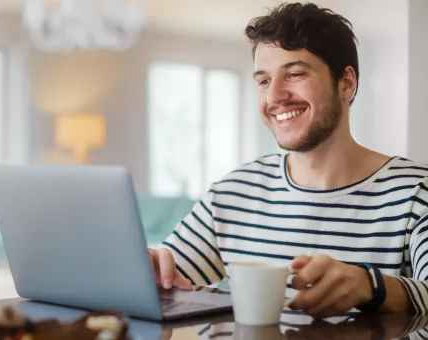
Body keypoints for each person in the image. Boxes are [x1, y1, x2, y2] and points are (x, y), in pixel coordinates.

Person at [148, 2, 428, 318]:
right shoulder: (233, 193)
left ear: (346, 84)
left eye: (294, 74)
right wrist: (149, 269)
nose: (274, 96)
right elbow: (166, 278)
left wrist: (372, 286)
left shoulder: (417, 193)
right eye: (264, 80)